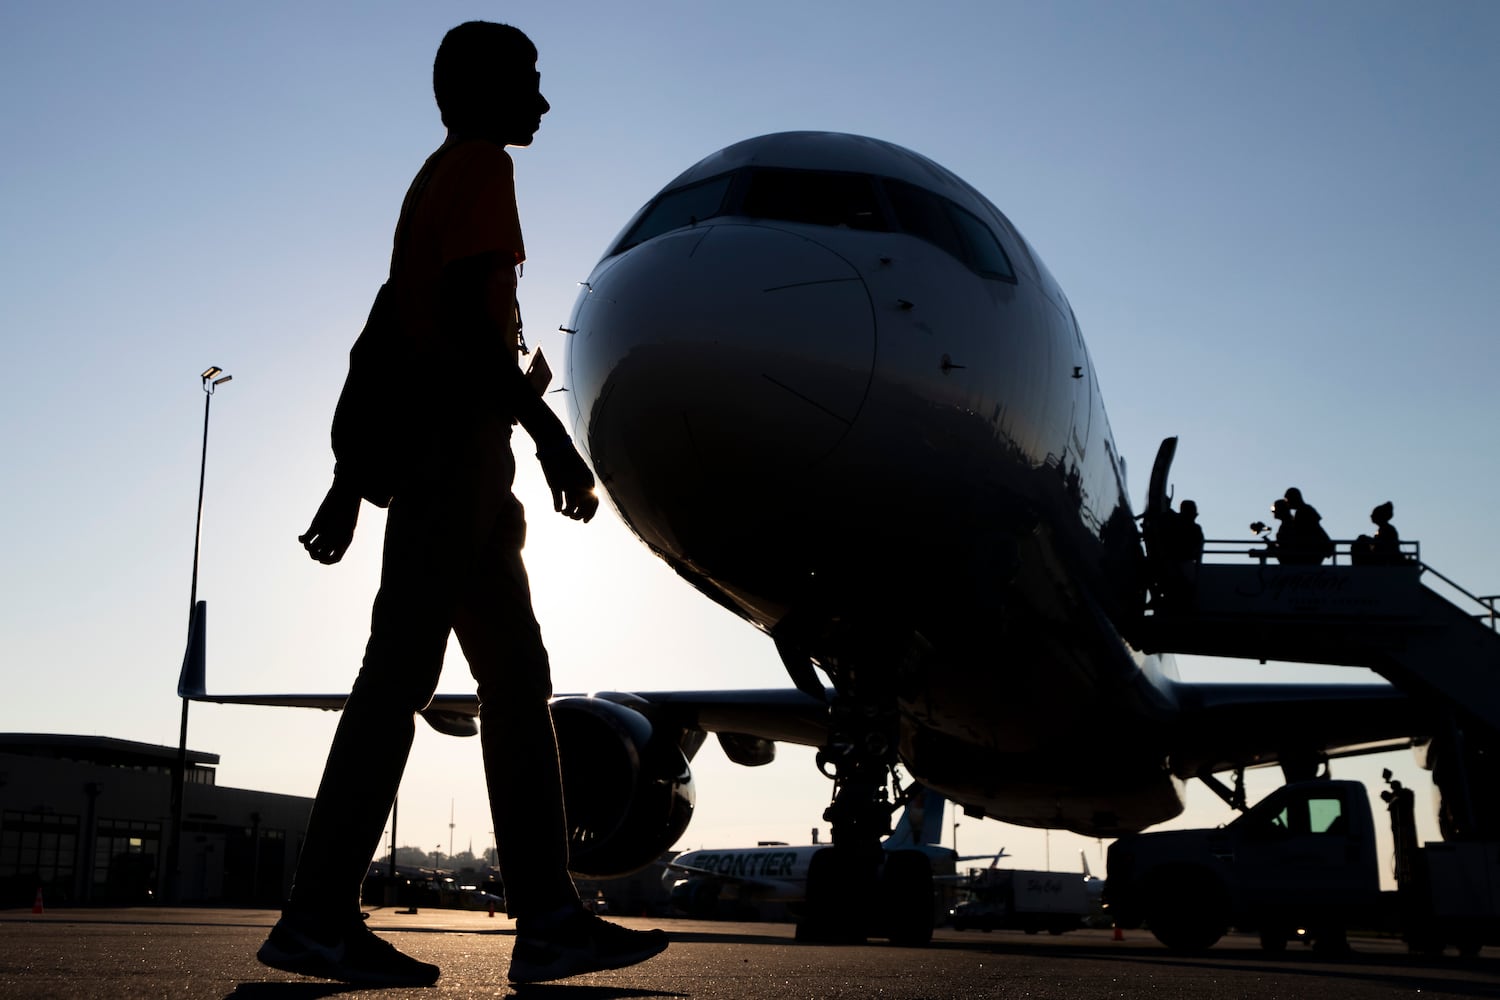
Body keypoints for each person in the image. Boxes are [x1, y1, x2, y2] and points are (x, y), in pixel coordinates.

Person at [256, 22, 667, 987]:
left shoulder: (434, 178)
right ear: (482, 90)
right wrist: (551, 434)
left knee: (518, 689)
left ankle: (549, 916)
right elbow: (462, 331)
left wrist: (351, 478)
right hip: (457, 455)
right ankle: (317, 914)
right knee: (400, 680)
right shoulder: (481, 164)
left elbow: (386, 327)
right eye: (529, 79)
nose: (544, 99)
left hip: (460, 462)